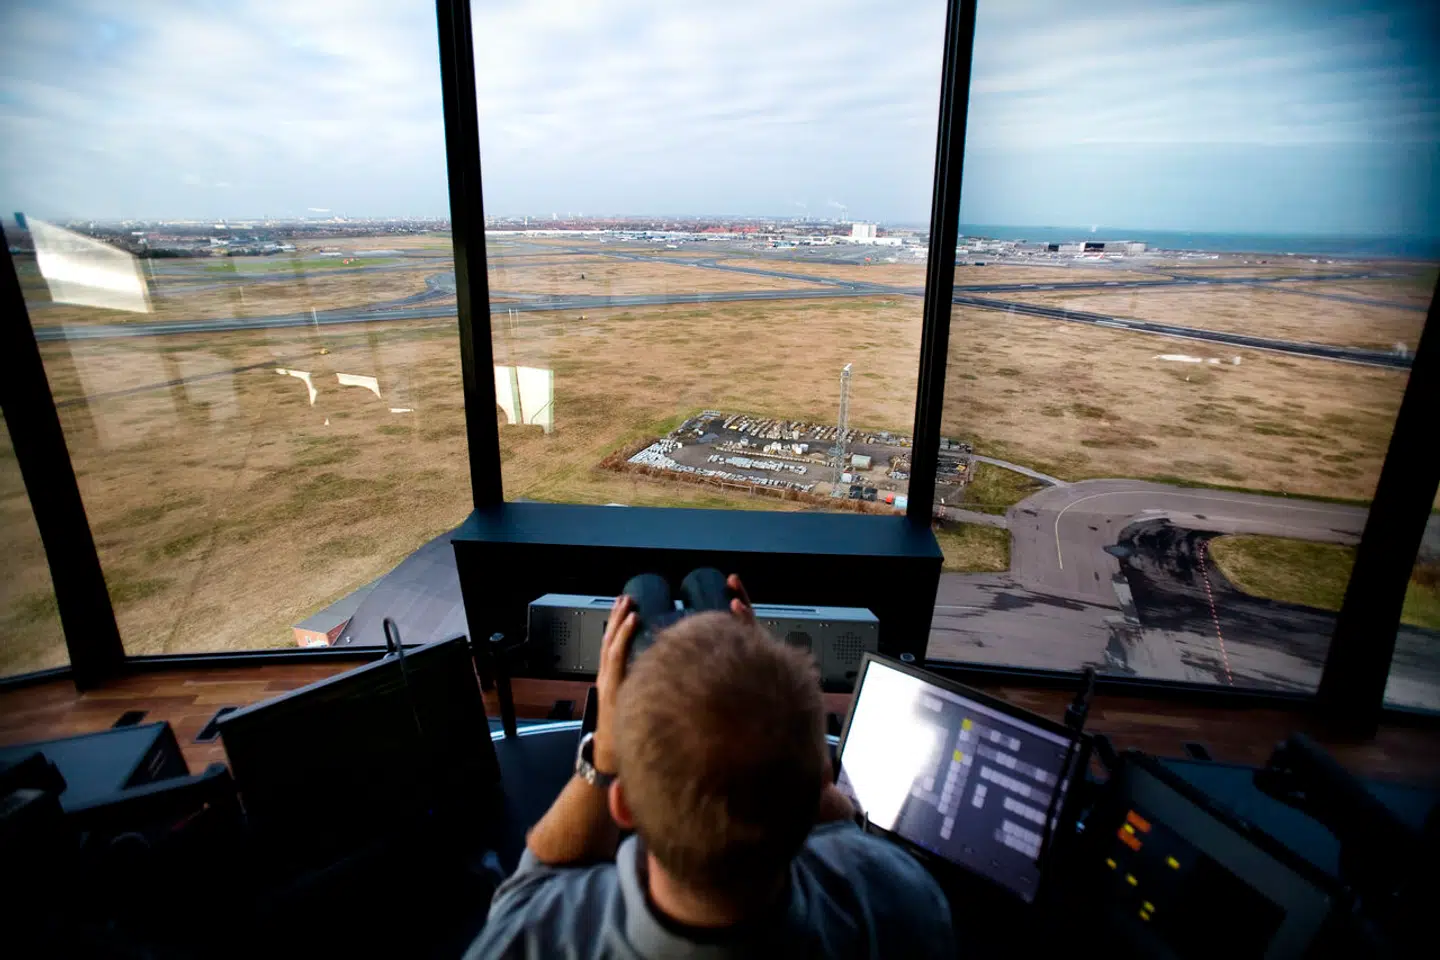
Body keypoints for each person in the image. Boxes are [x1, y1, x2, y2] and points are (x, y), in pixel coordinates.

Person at [466, 575, 955, 958]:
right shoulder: (902, 902)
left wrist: (606, 750)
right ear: (819, 790)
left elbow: (530, 885)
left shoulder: (532, 937)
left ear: (624, 805)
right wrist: (757, 681)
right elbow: (839, 824)